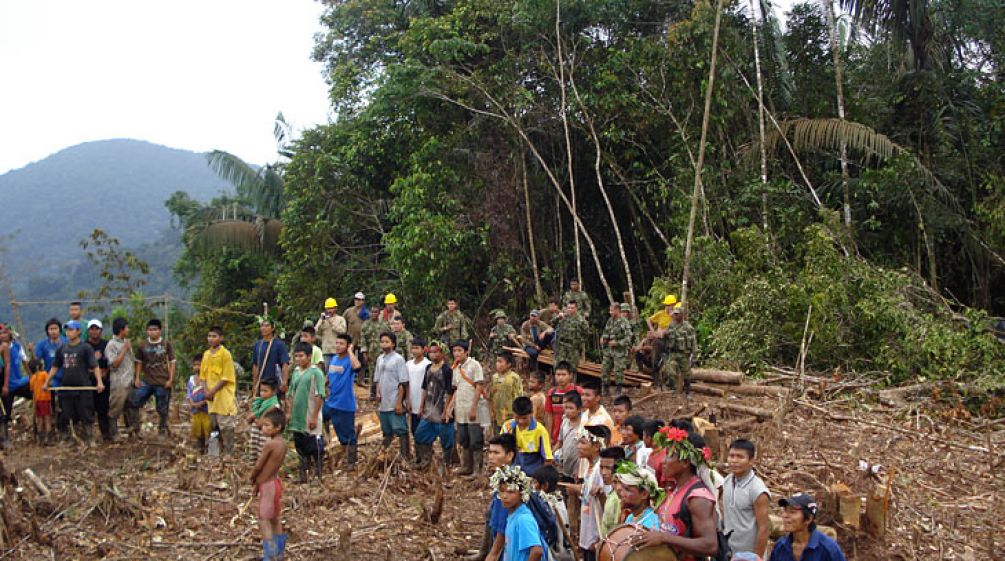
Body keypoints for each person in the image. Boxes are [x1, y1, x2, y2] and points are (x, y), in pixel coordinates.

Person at [632, 427, 719, 561]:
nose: (663, 461)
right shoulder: (675, 489)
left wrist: (664, 538)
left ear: (685, 462)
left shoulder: (697, 497)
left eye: (670, 456)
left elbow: (710, 545)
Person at [44, 320, 102, 444]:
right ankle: (72, 438)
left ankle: (90, 438)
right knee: (69, 414)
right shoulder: (62, 349)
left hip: (83, 386)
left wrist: (99, 382)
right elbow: (55, 367)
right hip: (67, 387)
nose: (69, 332)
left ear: (79, 331)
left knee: (86, 414)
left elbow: (95, 366)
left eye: (72, 330)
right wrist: (47, 382)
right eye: (67, 330)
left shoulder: (85, 348)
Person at [465, 433, 518, 561]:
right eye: (490, 452)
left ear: (510, 455)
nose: (491, 457)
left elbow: (502, 528)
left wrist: (493, 554)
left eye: (496, 453)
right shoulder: (505, 475)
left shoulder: (508, 484)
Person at [563, 425, 610, 561]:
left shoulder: (601, 469)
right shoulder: (591, 467)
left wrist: (597, 538)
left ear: (596, 446)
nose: (578, 446)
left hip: (596, 536)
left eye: (583, 442)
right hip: (588, 534)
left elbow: (603, 500)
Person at [446, 340, 489, 476]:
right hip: (461, 409)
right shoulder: (456, 368)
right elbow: (457, 389)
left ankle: (477, 469)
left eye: (459, 350)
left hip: (473, 408)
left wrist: (473, 408)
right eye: (454, 351)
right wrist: (450, 407)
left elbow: (479, 387)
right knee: (463, 439)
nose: (457, 353)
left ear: (466, 352)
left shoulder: (474, 365)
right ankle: (466, 466)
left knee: (476, 439)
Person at [721, 439, 771, 558]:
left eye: (740, 457)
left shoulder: (757, 490)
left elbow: (764, 528)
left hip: (748, 555)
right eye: (731, 456)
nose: (734, 461)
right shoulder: (727, 481)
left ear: (751, 461)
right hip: (728, 551)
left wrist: (756, 557)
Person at [250, 408, 288, 561]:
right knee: (275, 518)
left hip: (267, 486)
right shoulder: (283, 443)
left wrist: (252, 478)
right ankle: (279, 554)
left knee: (263, 520)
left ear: (277, 427)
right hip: (276, 483)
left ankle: (269, 555)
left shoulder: (270, 444)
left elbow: (259, 466)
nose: (263, 428)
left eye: (267, 425)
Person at [323, 333, 362, 469]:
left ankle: (351, 462)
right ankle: (328, 446)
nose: (338, 346)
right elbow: (328, 377)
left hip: (345, 404)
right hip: (331, 401)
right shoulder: (333, 359)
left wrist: (351, 351)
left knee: (348, 434)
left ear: (347, 346)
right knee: (322, 417)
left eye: (341, 344)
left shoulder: (349, 361)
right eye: (337, 343)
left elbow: (357, 367)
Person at [414, 340, 456, 470]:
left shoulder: (447, 370)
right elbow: (425, 388)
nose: (432, 355)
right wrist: (421, 406)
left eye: (435, 352)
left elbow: (450, 391)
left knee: (446, 440)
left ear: (442, 353)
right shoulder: (428, 368)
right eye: (431, 352)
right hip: (428, 409)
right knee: (420, 435)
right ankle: (426, 460)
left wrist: (446, 410)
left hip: (442, 409)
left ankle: (446, 464)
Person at [289, 342, 327, 482]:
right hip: (297, 416)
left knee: (315, 446)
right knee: (300, 445)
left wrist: (314, 416)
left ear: (309, 356)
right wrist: (290, 412)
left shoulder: (316, 373)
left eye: (301, 356)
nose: (298, 359)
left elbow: (319, 395)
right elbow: (291, 393)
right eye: (296, 356)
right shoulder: (296, 372)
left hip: (311, 413)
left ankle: (317, 475)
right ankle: (303, 475)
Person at [770, 493, 847, 561]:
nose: (785, 515)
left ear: (809, 519)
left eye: (792, 512)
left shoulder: (829, 549)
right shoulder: (781, 547)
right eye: (785, 511)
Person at [493, 465, 546, 561]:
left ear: (522, 493)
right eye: (502, 491)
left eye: (511, 492)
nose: (504, 496)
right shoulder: (512, 515)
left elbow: (537, 551)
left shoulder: (523, 519)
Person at [132, 318, 175, 436]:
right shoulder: (142, 345)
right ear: (147, 331)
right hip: (147, 380)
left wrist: (170, 379)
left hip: (162, 380)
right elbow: (139, 362)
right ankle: (135, 428)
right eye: (150, 330)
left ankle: (162, 429)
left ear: (160, 331)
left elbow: (172, 362)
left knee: (162, 407)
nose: (152, 332)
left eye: (155, 329)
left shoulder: (166, 344)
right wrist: (137, 378)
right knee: (135, 400)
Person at [374, 331, 410, 460]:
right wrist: (377, 392)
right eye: (382, 341)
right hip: (383, 401)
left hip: (394, 399)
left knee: (400, 429)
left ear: (393, 343)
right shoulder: (380, 358)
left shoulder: (398, 359)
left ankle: (405, 456)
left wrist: (399, 402)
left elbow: (403, 382)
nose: (384, 344)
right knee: (387, 430)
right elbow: (377, 378)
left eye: (387, 341)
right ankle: (386, 457)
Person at [202, 326, 237, 455]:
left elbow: (226, 377)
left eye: (214, 336)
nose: (211, 339)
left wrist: (212, 392)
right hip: (211, 400)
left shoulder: (225, 354)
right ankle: (215, 455)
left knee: (226, 426)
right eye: (209, 336)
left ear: (221, 338)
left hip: (223, 397)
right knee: (213, 427)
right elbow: (202, 376)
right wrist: (206, 391)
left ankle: (229, 454)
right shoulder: (206, 355)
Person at [530, 465, 574, 561]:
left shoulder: (547, 505)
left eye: (535, 482)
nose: (533, 486)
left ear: (545, 485)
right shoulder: (558, 500)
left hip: (553, 550)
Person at [501, 396, 553, 474]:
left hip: (533, 472)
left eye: (524, 418)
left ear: (531, 413)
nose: (521, 421)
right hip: (513, 470)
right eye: (517, 418)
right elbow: (500, 450)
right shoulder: (507, 427)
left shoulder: (540, 431)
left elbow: (547, 459)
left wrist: (541, 478)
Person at [104, 318, 137, 440]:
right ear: (121, 329)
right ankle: (113, 433)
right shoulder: (111, 345)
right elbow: (114, 364)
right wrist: (124, 349)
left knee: (131, 407)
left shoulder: (126, 342)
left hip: (129, 381)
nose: (128, 330)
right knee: (115, 408)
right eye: (126, 327)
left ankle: (133, 432)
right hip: (119, 382)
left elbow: (132, 361)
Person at [35, 318, 67, 437]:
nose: (53, 331)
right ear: (47, 331)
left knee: (65, 403)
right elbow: (36, 361)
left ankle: (64, 426)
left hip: (65, 376)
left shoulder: (66, 342)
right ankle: (48, 428)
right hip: (49, 378)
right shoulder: (42, 344)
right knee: (49, 403)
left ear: (60, 330)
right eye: (50, 329)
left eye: (55, 329)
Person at [0, 325, 31, 448]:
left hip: (16, 382)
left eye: (4, 333)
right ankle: (4, 438)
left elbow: (23, 362)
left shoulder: (14, 347)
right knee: (4, 413)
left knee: (39, 396)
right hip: (6, 384)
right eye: (1, 333)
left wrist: (33, 377)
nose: (2, 335)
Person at [84, 319, 113, 441]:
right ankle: (89, 435)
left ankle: (106, 434)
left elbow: (111, 361)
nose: (94, 331)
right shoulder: (84, 346)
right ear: (88, 331)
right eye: (92, 329)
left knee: (104, 408)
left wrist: (106, 371)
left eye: (97, 329)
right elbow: (81, 364)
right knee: (89, 408)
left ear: (101, 331)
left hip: (105, 381)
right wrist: (94, 372)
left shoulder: (106, 345)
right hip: (89, 381)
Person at [614, 461, 662, 530]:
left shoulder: (652, 522)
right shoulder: (630, 517)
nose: (621, 493)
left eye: (627, 489)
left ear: (644, 494)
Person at [642, 295, 676, 388]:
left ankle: (666, 379)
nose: (669, 307)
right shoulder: (661, 314)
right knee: (654, 352)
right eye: (668, 305)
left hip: (670, 341)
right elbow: (648, 320)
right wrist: (653, 330)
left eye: (671, 305)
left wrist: (664, 331)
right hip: (659, 340)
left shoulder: (675, 316)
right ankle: (655, 377)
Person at [663, 304, 697, 396]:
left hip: (684, 354)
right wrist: (665, 335)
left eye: (677, 314)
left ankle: (687, 392)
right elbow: (667, 337)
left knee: (687, 374)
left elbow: (693, 341)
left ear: (682, 315)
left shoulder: (688, 327)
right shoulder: (671, 325)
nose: (675, 315)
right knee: (670, 371)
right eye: (674, 314)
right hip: (673, 353)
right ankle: (674, 388)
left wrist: (694, 356)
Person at [599, 303, 633, 395]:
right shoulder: (610, 320)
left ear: (618, 310)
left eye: (612, 310)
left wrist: (617, 343)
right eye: (610, 310)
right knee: (605, 369)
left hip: (619, 351)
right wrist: (603, 338)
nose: (610, 312)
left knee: (619, 372)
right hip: (608, 350)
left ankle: (618, 390)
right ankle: (605, 389)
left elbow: (629, 337)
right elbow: (606, 332)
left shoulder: (624, 322)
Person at [252, 316, 289, 397]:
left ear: (273, 328)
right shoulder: (258, 345)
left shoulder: (279, 344)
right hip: (261, 383)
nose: (264, 328)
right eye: (262, 326)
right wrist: (254, 384)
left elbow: (285, 364)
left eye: (267, 326)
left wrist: (284, 382)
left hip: (275, 383)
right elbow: (255, 365)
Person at [545, 362, 582, 442]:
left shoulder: (578, 391)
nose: (560, 378)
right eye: (558, 374)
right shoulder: (552, 393)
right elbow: (549, 415)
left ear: (570, 376)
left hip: (575, 435)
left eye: (563, 374)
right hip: (556, 436)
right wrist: (548, 437)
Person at [490, 352, 524, 435]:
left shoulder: (514, 377)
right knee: (498, 437)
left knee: (509, 438)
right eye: (497, 361)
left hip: (510, 415)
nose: (497, 364)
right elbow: (491, 396)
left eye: (500, 361)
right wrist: (491, 410)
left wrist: (518, 413)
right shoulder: (494, 377)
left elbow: (519, 396)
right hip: (497, 415)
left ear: (509, 364)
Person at [248, 379, 281, 458]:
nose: (262, 393)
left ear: (274, 392)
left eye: (265, 391)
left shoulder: (273, 406)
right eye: (261, 390)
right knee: (253, 447)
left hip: (264, 433)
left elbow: (260, 423)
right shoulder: (260, 401)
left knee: (261, 450)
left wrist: (253, 416)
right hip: (257, 432)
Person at [599, 446, 626, 538]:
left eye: (607, 468)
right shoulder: (612, 493)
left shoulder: (620, 497)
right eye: (601, 468)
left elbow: (616, 530)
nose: (603, 472)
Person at [406, 338, 430, 439]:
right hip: (412, 400)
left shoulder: (427, 364)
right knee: (414, 429)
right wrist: (407, 400)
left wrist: (423, 403)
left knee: (423, 430)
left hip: (423, 401)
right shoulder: (408, 364)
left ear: (424, 349)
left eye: (417, 348)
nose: (414, 351)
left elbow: (428, 385)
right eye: (413, 348)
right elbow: (406, 383)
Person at [553, 301, 589, 371]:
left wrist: (579, 341)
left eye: (572, 308)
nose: (569, 309)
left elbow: (586, 333)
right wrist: (558, 317)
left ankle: (572, 382)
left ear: (576, 309)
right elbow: (552, 323)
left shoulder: (581, 320)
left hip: (573, 347)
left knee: (572, 368)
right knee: (558, 366)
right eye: (568, 308)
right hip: (561, 347)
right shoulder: (563, 317)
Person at [359, 302, 384, 398]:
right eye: (372, 312)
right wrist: (364, 352)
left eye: (376, 312)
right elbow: (363, 339)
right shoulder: (365, 325)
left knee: (382, 374)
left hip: (381, 354)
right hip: (370, 354)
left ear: (379, 313)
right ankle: (373, 394)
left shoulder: (384, 325)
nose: (374, 314)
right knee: (372, 374)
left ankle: (381, 393)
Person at [186, 356, 210, 452]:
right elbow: (189, 394)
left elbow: (210, 392)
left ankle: (209, 447)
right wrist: (193, 404)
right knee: (197, 428)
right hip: (195, 409)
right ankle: (200, 446)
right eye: (195, 365)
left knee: (208, 427)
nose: (197, 367)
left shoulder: (207, 378)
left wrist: (203, 402)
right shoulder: (191, 379)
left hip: (206, 408)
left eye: (199, 365)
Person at [315, 297, 347, 366]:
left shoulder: (341, 319)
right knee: (328, 371)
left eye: (331, 308)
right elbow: (316, 332)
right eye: (328, 308)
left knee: (337, 369)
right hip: (326, 350)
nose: (329, 310)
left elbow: (343, 331)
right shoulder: (323, 320)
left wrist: (331, 323)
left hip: (337, 350)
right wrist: (321, 321)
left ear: (335, 308)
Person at [29, 359, 52, 444]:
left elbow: (32, 390)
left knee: (39, 419)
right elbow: (49, 383)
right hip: (44, 399)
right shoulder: (44, 374)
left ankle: (40, 437)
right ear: (39, 367)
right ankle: (48, 437)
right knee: (47, 418)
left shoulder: (32, 378)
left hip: (37, 401)